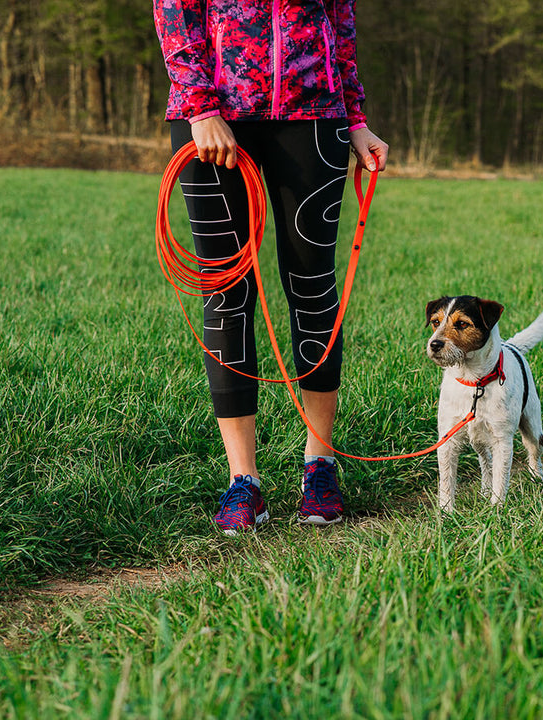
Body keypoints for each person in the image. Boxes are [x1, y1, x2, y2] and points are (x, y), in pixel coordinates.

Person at [153, 0, 388, 535]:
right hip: (215, 118)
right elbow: (175, 9)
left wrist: (355, 117)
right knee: (226, 291)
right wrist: (199, 106)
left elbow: (340, 23)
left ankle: (319, 467)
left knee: (312, 285)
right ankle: (244, 482)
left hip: (314, 118)